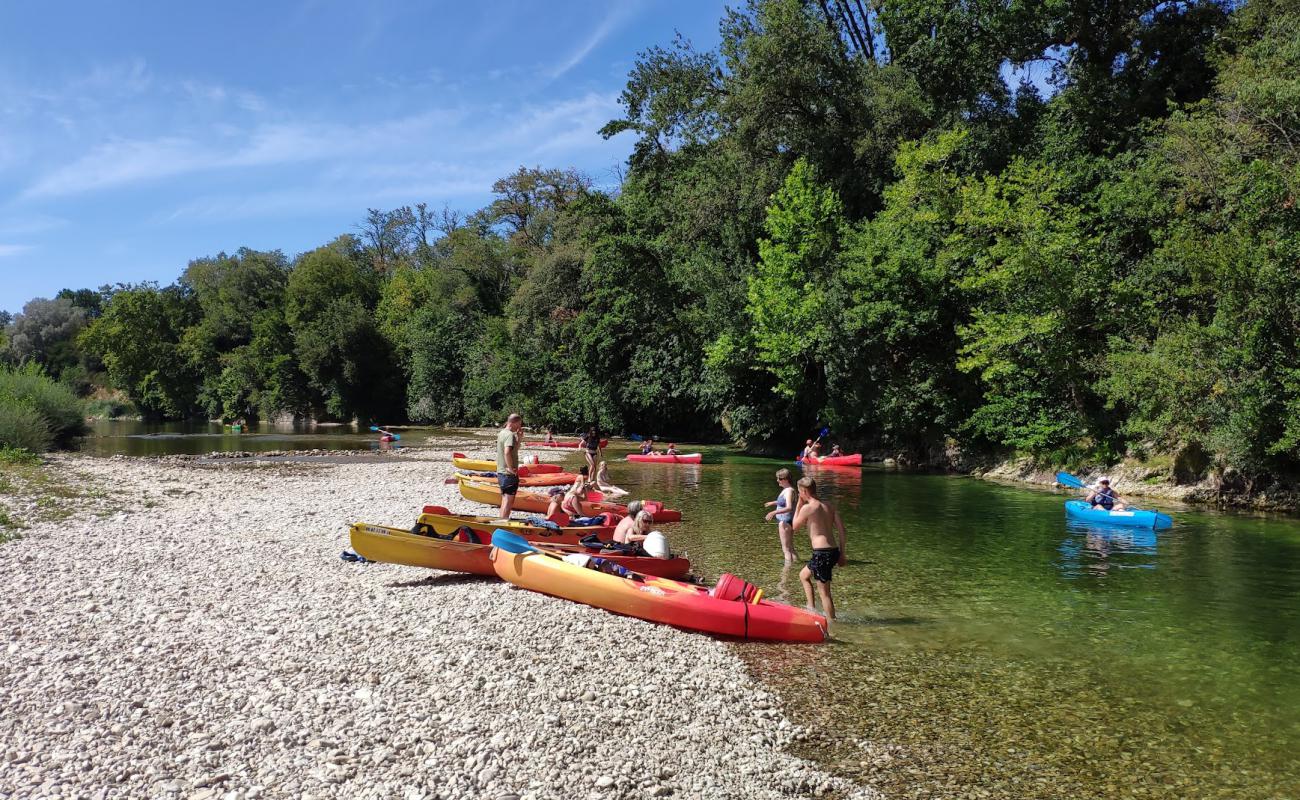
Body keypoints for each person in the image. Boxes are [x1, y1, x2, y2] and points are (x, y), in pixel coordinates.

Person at [792, 477, 847, 620]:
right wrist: (842, 554)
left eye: (800, 493)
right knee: (803, 575)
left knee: (825, 593)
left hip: (822, 553)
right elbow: (842, 531)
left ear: (804, 491)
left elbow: (795, 526)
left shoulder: (808, 508)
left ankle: (833, 623)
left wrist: (798, 504)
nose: (800, 496)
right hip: (832, 551)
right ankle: (811, 608)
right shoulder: (829, 505)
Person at [764, 468, 798, 563]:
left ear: (785, 479)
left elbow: (789, 507)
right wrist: (773, 503)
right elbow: (783, 502)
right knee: (790, 547)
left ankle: (786, 572)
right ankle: (796, 567)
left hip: (785, 522)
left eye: (779, 478)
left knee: (786, 549)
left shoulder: (788, 491)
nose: (777, 480)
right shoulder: (789, 490)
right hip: (789, 521)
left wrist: (773, 512)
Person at [495, 413, 524, 520]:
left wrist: (519, 438)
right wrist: (511, 468)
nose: (519, 426)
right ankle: (503, 523)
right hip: (508, 474)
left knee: (505, 499)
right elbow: (507, 452)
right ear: (514, 423)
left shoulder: (502, 433)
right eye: (519, 424)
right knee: (508, 500)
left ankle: (501, 520)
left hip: (501, 472)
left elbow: (513, 450)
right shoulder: (509, 435)